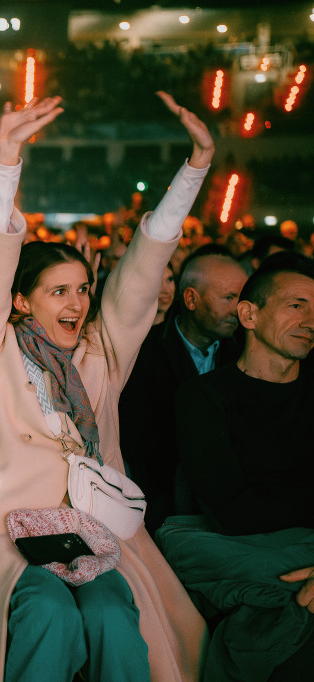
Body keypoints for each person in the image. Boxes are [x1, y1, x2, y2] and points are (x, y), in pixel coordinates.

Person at [0, 92, 210, 681]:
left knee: (112, 617)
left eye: (82, 290)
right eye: (59, 292)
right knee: (48, 616)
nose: (77, 303)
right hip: (9, 536)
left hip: (96, 532)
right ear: (23, 301)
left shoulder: (101, 355)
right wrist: (5, 158)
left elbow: (140, 273)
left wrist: (195, 169)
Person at [162, 253, 314, 681]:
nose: (310, 320)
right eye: (297, 304)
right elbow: (233, 513)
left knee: (268, 617)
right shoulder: (203, 397)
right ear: (248, 314)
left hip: (258, 557)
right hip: (237, 545)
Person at [120, 250, 247, 532]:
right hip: (161, 510)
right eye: (229, 298)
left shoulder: (246, 352)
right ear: (191, 298)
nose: (239, 309)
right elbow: (138, 445)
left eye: (243, 298)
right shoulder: (143, 353)